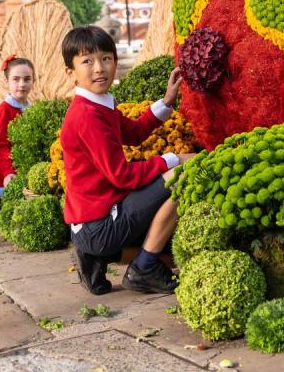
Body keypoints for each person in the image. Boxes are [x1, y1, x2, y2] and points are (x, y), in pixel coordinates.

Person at [60, 25, 189, 295]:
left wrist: (166, 102)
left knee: (164, 241)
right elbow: (122, 176)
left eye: (106, 58)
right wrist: (174, 159)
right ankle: (144, 268)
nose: (99, 68)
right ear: (70, 73)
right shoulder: (88, 116)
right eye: (87, 61)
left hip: (93, 221)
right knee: (182, 180)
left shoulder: (97, 104)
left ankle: (98, 257)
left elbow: (134, 132)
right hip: (100, 225)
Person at [0, 54, 35, 221]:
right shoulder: (4, 111)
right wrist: (7, 172)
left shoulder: (32, 108)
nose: (22, 84)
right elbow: (1, 147)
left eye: (27, 79)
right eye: (16, 79)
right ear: (7, 82)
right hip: (9, 167)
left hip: (28, 164)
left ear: (33, 81)